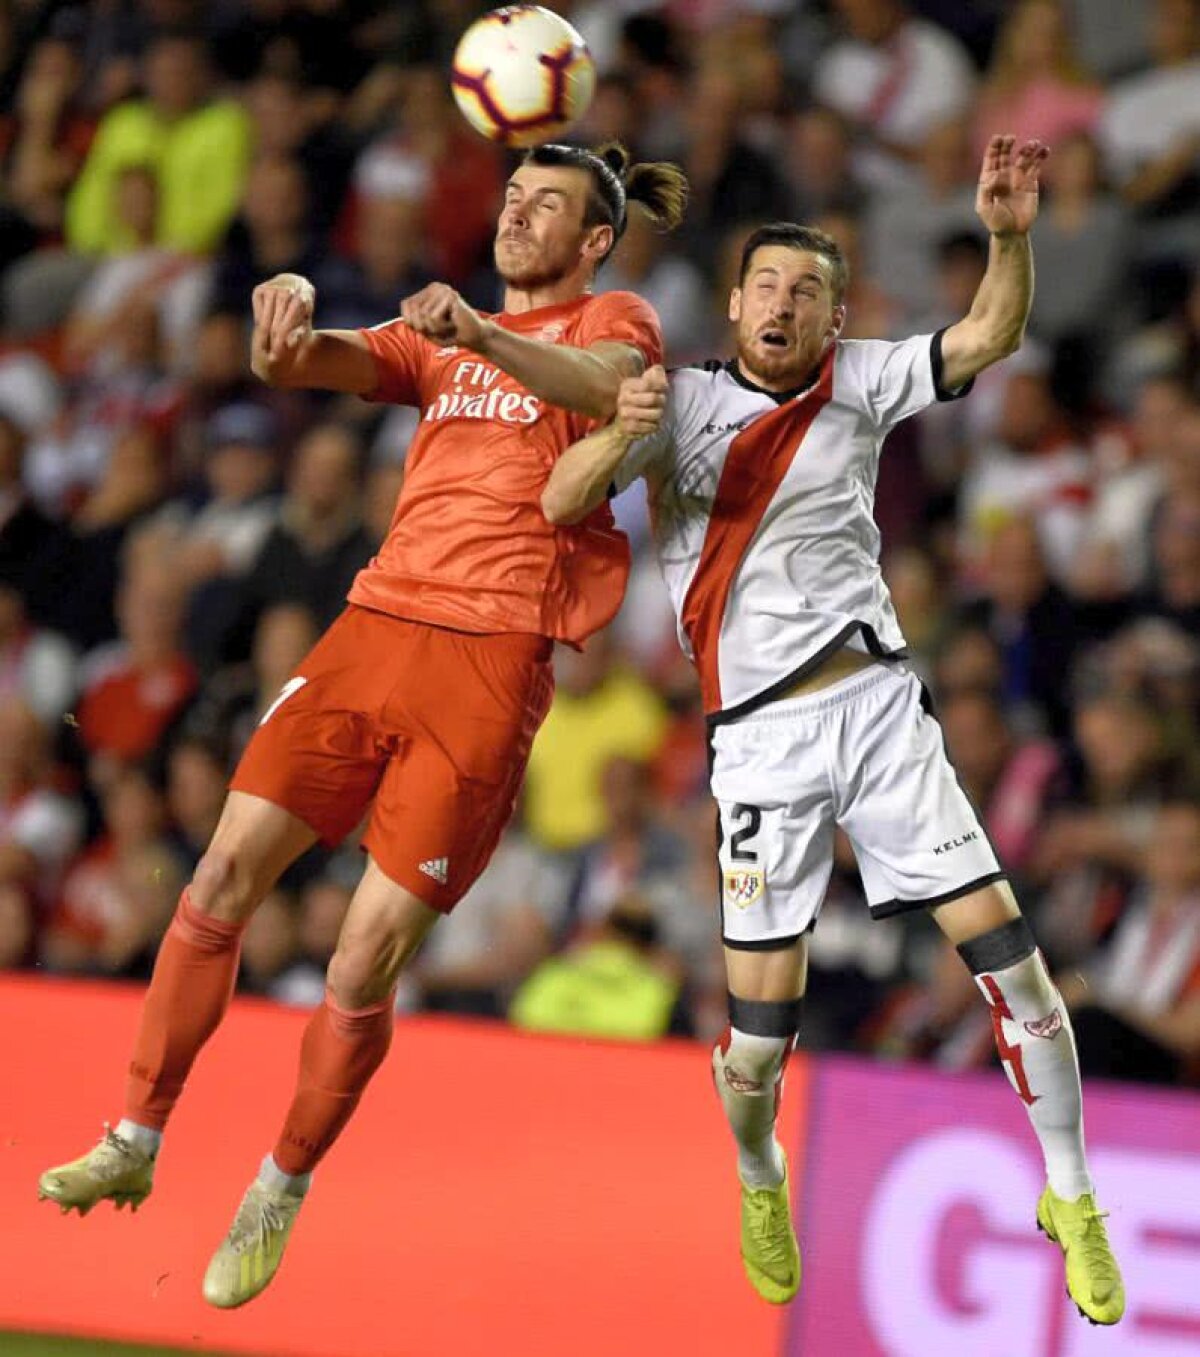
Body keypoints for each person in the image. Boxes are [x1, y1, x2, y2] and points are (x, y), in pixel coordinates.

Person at [38, 141, 687, 1310]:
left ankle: (280, 1181)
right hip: (373, 625)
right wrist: (279, 335)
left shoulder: (617, 318)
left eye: (548, 206)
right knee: (224, 871)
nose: (518, 214)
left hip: (489, 662)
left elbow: (603, 396)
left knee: (362, 953)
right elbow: (315, 364)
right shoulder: (442, 334)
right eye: (513, 196)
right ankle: (134, 1135)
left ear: (594, 240)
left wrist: (482, 336)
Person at [541, 136, 1125, 1324]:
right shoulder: (681, 401)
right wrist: (620, 432)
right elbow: (561, 500)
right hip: (756, 744)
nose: (784, 303)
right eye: (766, 285)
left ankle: (1073, 1197)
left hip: (878, 712)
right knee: (758, 1046)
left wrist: (1008, 237)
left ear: (833, 314)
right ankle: (760, 1169)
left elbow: (990, 336)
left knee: (1024, 979)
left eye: (807, 291)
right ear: (738, 301)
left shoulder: (862, 379)